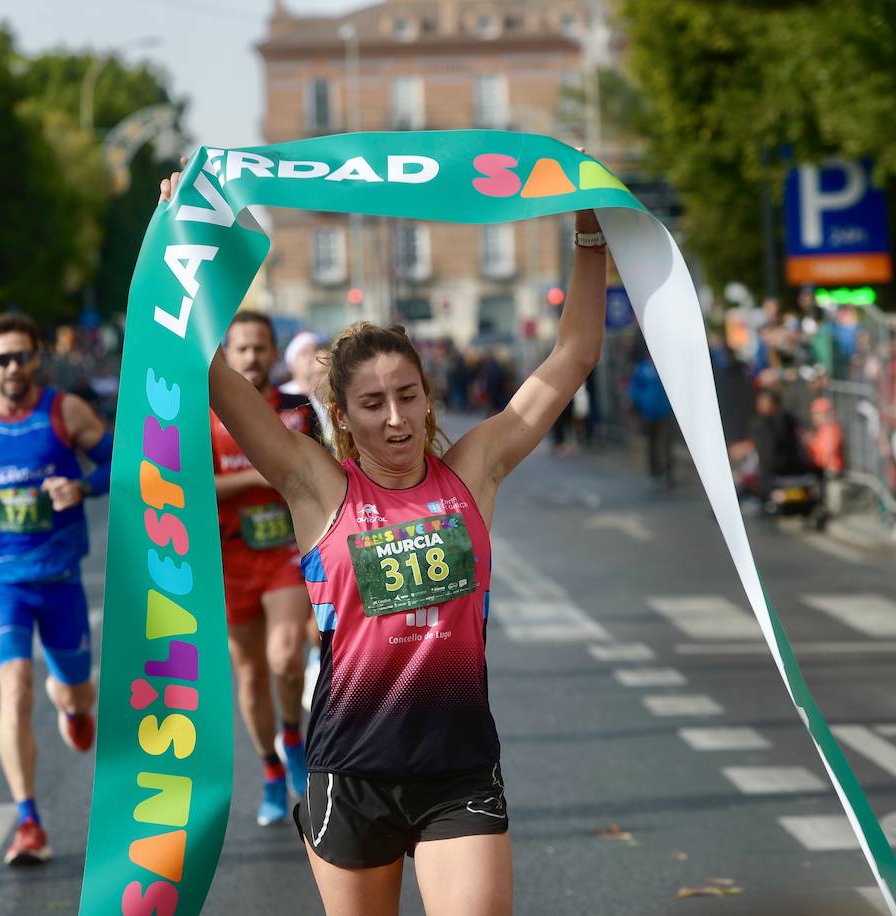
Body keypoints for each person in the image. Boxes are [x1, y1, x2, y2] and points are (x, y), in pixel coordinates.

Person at [164, 168, 608, 915]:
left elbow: (574, 356)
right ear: (342, 415)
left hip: (457, 766)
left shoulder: (475, 469)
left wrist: (590, 231)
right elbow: (209, 374)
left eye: (408, 396)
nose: (396, 420)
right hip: (350, 770)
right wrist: (185, 241)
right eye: (372, 404)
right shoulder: (316, 485)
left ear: (429, 398)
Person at [0, 312, 113, 866]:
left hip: (59, 579)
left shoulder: (65, 411)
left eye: (23, 356)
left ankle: (74, 710)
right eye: (3, 358)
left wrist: (81, 485)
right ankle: (28, 821)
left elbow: (118, 461)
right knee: (14, 686)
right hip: (1, 581)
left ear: (37, 357)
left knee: (74, 693)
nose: (14, 367)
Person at [212, 311, 316, 825]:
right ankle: (272, 770)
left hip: (284, 555)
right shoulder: (200, 415)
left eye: (260, 348)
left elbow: (324, 470)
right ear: (227, 356)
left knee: (285, 658)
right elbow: (188, 488)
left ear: (274, 354)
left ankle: (292, 735)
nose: (252, 357)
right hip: (229, 560)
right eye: (242, 349)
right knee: (250, 676)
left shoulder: (298, 410)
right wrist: (259, 474)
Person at [628, 346, 674, 487]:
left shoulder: (666, 367)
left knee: (666, 442)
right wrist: (642, 402)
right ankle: (655, 471)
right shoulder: (642, 369)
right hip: (648, 412)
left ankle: (668, 472)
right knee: (652, 443)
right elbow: (634, 388)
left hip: (664, 411)